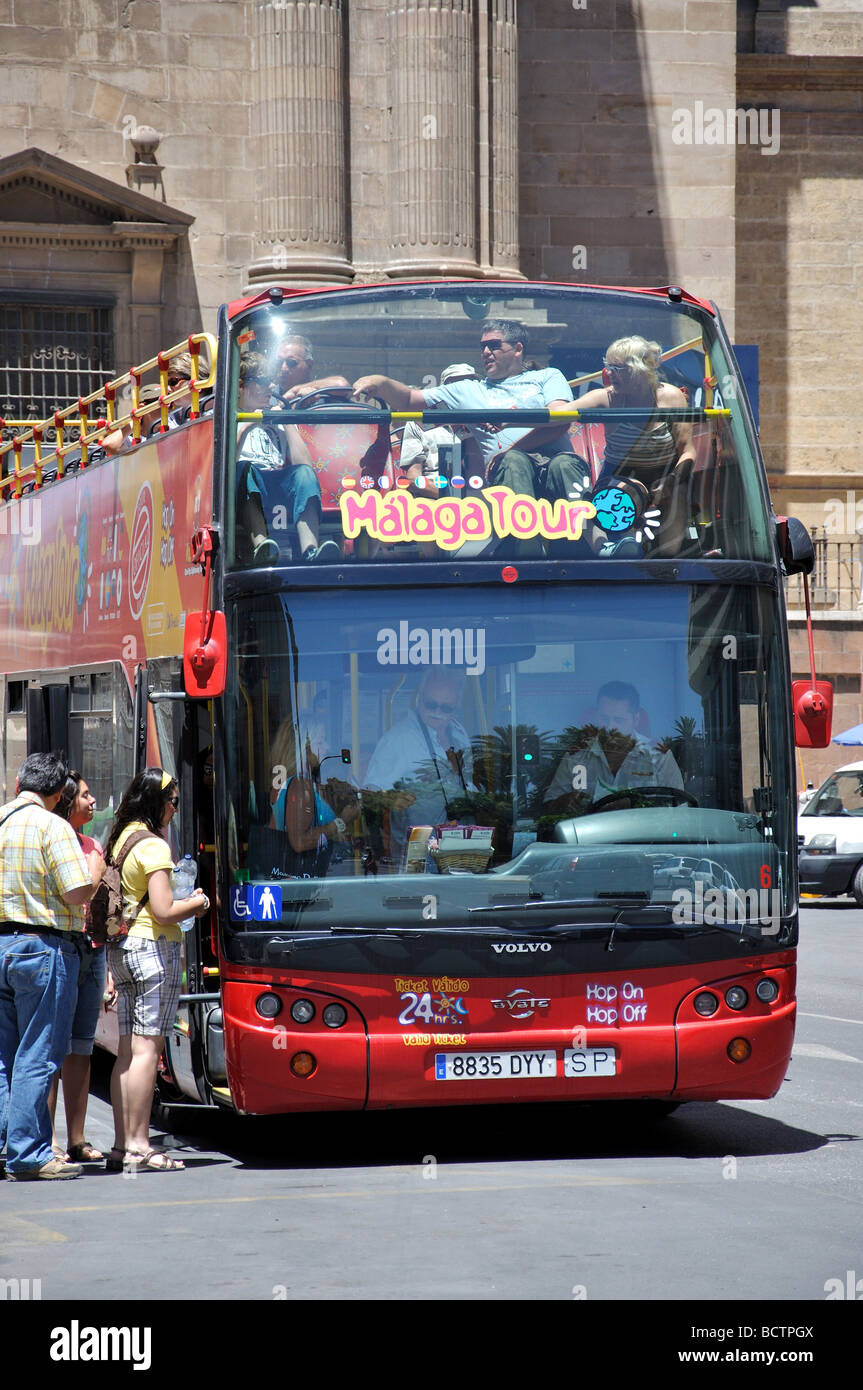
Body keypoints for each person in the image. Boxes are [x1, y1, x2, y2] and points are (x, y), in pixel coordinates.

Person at [353, 319, 589, 552]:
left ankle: (583, 549)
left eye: (494, 345)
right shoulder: (467, 390)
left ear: (518, 349)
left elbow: (560, 418)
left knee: (565, 464)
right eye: (483, 346)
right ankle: (525, 545)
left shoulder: (547, 376)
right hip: (507, 471)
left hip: (554, 461)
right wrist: (380, 382)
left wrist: (510, 430)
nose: (486, 352)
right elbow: (408, 400)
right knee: (514, 461)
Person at [0, 751, 103, 1180]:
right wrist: (95, 871)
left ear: (20, 781)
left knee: (4, 1056)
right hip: (43, 947)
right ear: (59, 793)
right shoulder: (53, 826)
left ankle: (7, 1144)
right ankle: (28, 1151)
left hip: (1, 944)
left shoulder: (1, 819)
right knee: (38, 1054)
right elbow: (77, 891)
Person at [104, 768, 209, 1173]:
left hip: (124, 950)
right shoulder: (153, 847)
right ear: (157, 802)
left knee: (127, 1051)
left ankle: (121, 1144)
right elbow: (165, 910)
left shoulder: (121, 838)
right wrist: (197, 903)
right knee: (149, 1050)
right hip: (153, 948)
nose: (175, 809)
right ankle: (140, 1145)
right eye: (174, 801)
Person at [576, 335, 696, 557]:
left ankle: (668, 565)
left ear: (639, 369)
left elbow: (687, 450)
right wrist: (507, 420)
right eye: (608, 367)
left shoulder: (670, 397)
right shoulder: (607, 398)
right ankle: (610, 550)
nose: (609, 374)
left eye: (617, 368)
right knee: (597, 502)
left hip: (664, 473)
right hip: (618, 475)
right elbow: (559, 414)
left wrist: (672, 480)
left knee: (677, 493)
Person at [47, 772, 110, 1165]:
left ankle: (77, 1137)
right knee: (53, 1047)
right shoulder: (55, 842)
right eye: (85, 796)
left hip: (94, 949)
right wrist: (94, 874)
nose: (92, 801)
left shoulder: (92, 843)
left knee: (81, 1046)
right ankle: (47, 1139)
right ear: (67, 801)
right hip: (65, 946)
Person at [235, 349, 340, 565]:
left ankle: (310, 549)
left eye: (271, 381)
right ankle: (262, 545)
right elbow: (225, 464)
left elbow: (305, 466)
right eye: (263, 381)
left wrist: (287, 420)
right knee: (245, 468)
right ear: (240, 386)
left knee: (302, 474)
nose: (271, 387)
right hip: (244, 488)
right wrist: (249, 423)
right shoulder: (228, 417)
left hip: (277, 485)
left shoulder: (276, 417)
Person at [363, 669, 477, 865]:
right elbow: (371, 797)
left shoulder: (459, 733)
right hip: (418, 853)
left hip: (461, 846)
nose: (437, 712)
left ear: (456, 706)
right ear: (420, 697)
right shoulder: (398, 740)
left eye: (446, 708)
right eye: (431, 704)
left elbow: (469, 782)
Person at [543, 681, 684, 813]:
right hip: (587, 838)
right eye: (604, 718)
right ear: (596, 716)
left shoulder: (659, 758)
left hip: (647, 837)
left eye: (619, 720)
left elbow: (679, 809)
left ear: (636, 719)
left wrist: (634, 804)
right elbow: (549, 809)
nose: (610, 727)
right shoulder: (577, 757)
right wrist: (563, 803)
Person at [266, 717, 361, 877]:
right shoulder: (300, 788)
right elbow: (299, 842)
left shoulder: (284, 783)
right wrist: (341, 822)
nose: (327, 747)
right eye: (320, 742)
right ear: (304, 749)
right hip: (304, 878)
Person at [398, 363, 477, 492]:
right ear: (443, 391)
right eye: (456, 386)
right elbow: (413, 479)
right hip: (433, 498)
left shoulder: (486, 422)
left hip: (479, 497)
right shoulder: (417, 424)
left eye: (469, 385)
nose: (463, 391)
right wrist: (450, 496)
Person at [102, 383, 165, 455]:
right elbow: (108, 445)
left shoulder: (174, 425)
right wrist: (135, 421)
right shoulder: (133, 439)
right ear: (142, 407)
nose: (166, 406)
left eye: (170, 402)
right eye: (159, 403)